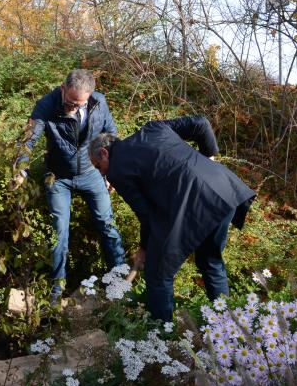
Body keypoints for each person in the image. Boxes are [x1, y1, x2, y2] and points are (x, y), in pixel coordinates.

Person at [89, 117, 256, 322]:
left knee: (158, 275)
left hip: (190, 206)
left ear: (104, 153)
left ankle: (162, 334)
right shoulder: (154, 128)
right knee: (210, 260)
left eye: (98, 167)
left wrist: (144, 248)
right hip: (223, 190)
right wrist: (209, 158)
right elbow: (201, 123)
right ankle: (227, 327)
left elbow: (147, 216)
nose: (102, 174)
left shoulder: (116, 170)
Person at [11, 69, 126, 300]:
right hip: (58, 177)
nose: (72, 107)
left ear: (89, 97)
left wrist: (112, 172)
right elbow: (28, 139)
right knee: (59, 232)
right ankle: (57, 292)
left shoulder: (99, 103)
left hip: (92, 174)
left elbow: (111, 136)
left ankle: (120, 285)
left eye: (78, 104)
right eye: (69, 101)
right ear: (63, 88)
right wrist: (20, 170)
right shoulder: (46, 105)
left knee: (107, 225)